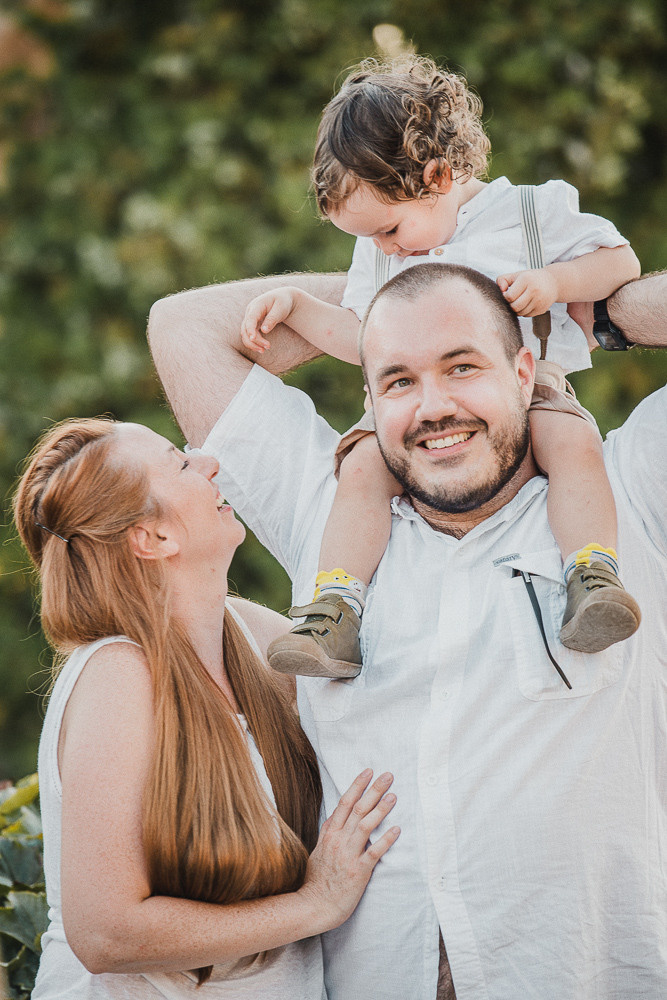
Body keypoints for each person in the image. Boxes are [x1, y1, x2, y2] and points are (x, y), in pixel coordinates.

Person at [148, 264, 667, 1000]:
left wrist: (581, 302)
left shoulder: (629, 494)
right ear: (368, 398)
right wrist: (399, 273)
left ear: (525, 372)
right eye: (397, 380)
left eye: (462, 366)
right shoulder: (328, 516)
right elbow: (182, 326)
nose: (433, 407)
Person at [240, 57, 642, 679]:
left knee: (574, 441)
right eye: (369, 237)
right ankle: (338, 607)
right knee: (362, 470)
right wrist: (298, 308)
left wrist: (554, 280)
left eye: (389, 229)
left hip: (529, 387)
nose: (382, 248)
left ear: (438, 175)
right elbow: (362, 341)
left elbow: (621, 263)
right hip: (407, 414)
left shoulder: (532, 214)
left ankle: (591, 573)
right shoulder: (378, 255)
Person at [14, 416, 400, 999]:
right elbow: (105, 934)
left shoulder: (248, 635)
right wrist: (314, 904)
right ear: (154, 537)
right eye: (180, 462)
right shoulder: (118, 675)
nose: (209, 462)